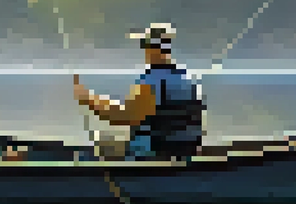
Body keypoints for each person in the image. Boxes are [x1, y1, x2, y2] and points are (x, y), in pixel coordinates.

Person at [73, 23, 204, 160]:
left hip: (152, 155)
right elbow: (131, 110)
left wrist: (87, 100)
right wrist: (92, 98)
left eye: (144, 44)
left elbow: (124, 117)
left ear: (152, 49)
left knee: (90, 150)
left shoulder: (151, 81)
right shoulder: (188, 78)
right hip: (185, 153)